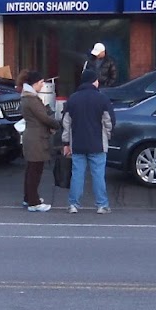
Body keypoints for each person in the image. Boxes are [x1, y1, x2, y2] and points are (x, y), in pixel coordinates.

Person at [61, 73, 115, 215]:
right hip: (97, 143)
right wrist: (108, 136)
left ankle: (73, 204)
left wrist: (66, 143)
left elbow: (66, 123)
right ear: (93, 82)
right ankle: (102, 205)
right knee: (98, 174)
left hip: (77, 143)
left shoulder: (73, 99)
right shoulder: (102, 98)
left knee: (77, 174)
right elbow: (109, 121)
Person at [18, 69, 61, 213]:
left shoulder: (27, 97)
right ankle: (33, 202)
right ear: (35, 83)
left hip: (32, 137)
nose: (43, 85)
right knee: (35, 171)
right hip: (36, 138)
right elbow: (44, 118)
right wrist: (57, 124)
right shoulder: (32, 99)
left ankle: (28, 197)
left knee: (31, 169)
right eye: (41, 82)